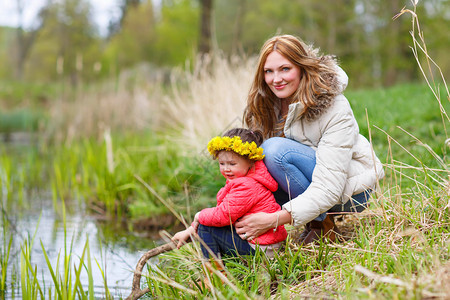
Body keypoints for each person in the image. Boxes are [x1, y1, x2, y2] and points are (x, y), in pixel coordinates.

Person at [235, 34, 385, 245]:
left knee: (275, 151)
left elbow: (330, 187)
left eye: (285, 69)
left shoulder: (334, 107)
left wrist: (274, 219)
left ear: (302, 67)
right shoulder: (266, 106)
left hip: (349, 191)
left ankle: (321, 225)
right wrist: (203, 223)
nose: (276, 79)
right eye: (269, 71)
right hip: (310, 184)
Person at [172, 128, 287, 259]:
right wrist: (190, 231)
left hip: (261, 250)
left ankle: (214, 272)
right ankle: (217, 266)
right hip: (259, 243)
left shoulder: (247, 185)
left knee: (206, 228)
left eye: (232, 164)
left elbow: (223, 215)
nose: (226, 169)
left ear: (250, 161)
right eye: (222, 163)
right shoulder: (243, 179)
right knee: (208, 224)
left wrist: (199, 215)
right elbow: (222, 211)